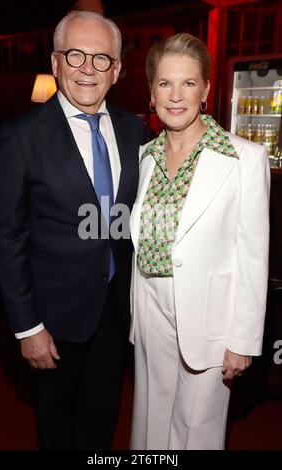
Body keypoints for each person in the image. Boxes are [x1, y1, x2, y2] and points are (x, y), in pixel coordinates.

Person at [0, 10, 145, 450]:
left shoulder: (133, 130)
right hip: (53, 323)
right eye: (75, 55)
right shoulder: (20, 136)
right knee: (57, 432)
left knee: (101, 425)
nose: (86, 68)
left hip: (116, 315)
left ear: (116, 70)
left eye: (101, 59)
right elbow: (8, 239)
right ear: (55, 62)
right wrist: (27, 329)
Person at [129, 33, 270, 450]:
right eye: (165, 83)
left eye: (188, 83)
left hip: (209, 314)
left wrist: (242, 341)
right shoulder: (145, 158)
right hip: (150, 307)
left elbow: (253, 255)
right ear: (151, 93)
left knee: (196, 430)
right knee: (150, 419)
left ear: (206, 89)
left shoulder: (243, 158)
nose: (176, 96)